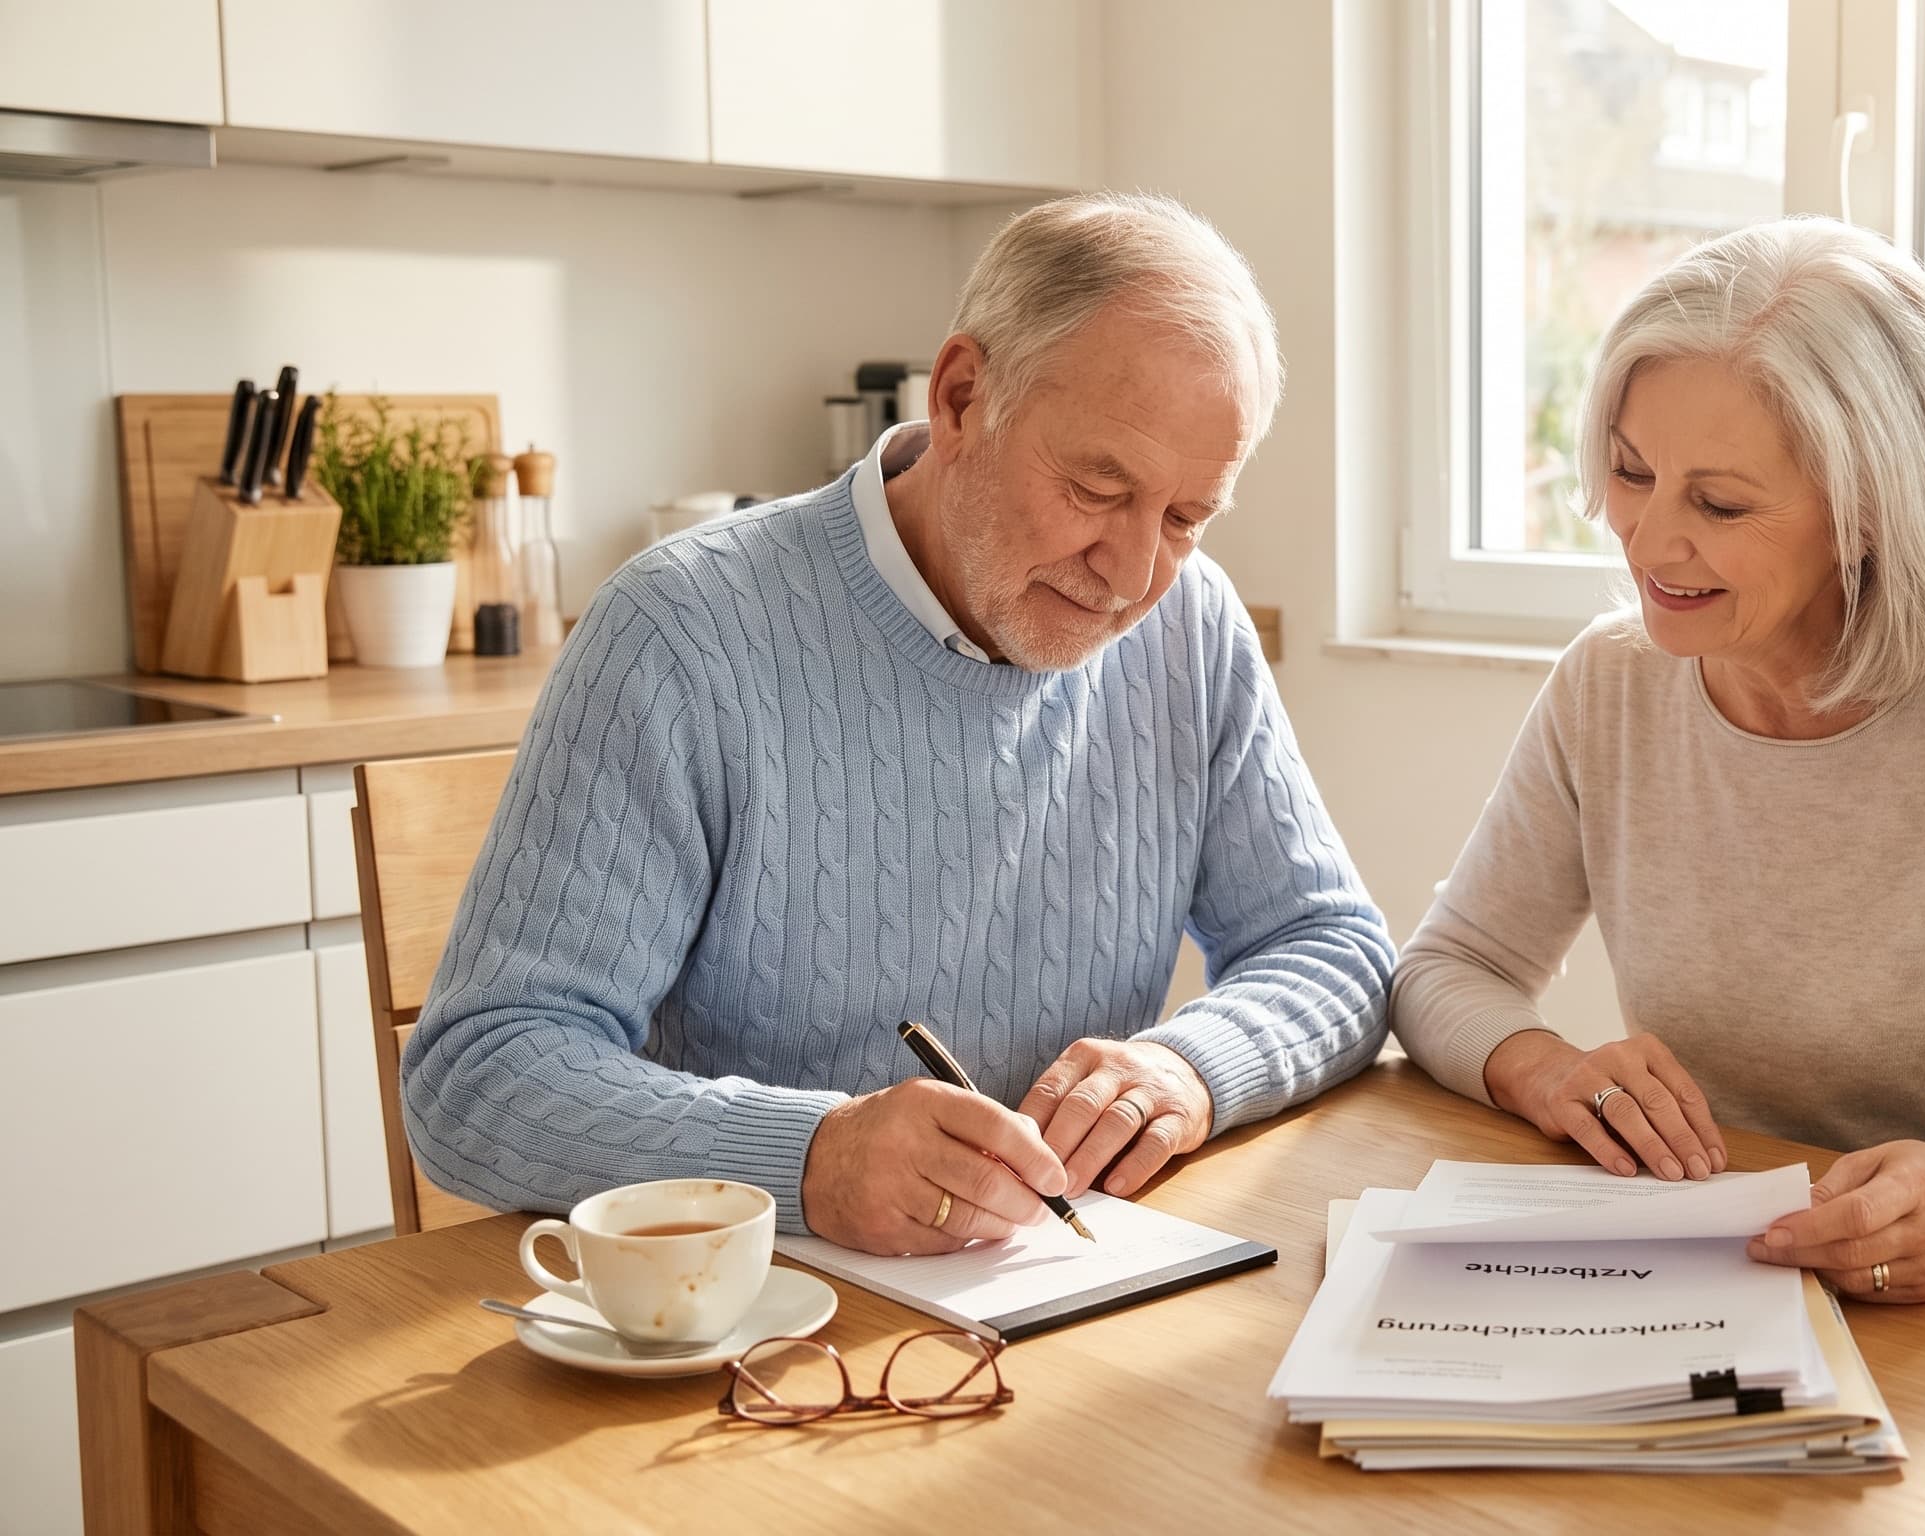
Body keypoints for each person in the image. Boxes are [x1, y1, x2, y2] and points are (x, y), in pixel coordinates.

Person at [402, 192, 1394, 1256]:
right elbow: (480, 1075)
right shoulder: (681, 631)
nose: (1134, 573)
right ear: (963, 398)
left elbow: (1333, 947)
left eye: (1187, 517)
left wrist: (1188, 1068)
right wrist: (812, 1158)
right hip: (755, 1308)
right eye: (1096, 489)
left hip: (1060, 1283)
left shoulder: (1190, 626)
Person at [1391, 217, 1925, 1304]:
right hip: (1728, 1269)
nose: (1647, 541)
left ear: (1872, 509)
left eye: (1719, 503)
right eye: (1632, 472)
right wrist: (1549, 1070)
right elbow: (1443, 973)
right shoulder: (1610, 684)